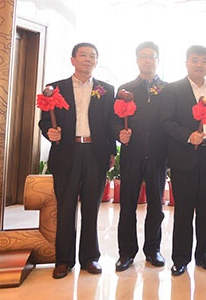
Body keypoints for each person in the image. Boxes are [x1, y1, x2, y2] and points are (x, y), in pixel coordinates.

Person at [38, 43, 116, 279]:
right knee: (65, 208)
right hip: (66, 152)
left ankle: (90, 257)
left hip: (95, 153)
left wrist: (111, 152)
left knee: (92, 208)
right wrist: (49, 132)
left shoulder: (106, 89)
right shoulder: (55, 89)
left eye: (92, 56)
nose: (88, 59)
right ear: (73, 60)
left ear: (96, 61)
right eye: (83, 55)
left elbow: (110, 124)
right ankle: (64, 260)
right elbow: (44, 121)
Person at [160, 45, 206, 276]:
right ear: (186, 62)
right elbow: (166, 121)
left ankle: (205, 255)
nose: (199, 65)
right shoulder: (173, 89)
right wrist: (188, 135)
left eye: (204, 61)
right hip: (184, 155)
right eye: (195, 60)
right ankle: (181, 258)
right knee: (184, 210)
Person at [112, 41, 168, 272]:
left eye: (151, 56)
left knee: (156, 206)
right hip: (132, 154)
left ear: (157, 60)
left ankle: (153, 250)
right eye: (143, 56)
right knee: (127, 205)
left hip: (158, 155)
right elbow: (114, 120)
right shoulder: (126, 89)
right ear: (137, 60)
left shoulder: (167, 89)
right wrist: (119, 133)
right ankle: (126, 253)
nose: (147, 60)